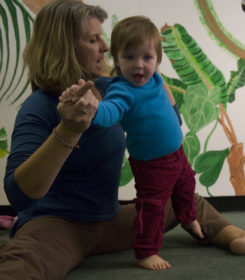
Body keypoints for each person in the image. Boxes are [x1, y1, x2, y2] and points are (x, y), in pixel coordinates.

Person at [0, 1, 245, 279]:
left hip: (109, 220)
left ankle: (238, 238)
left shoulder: (112, 86)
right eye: (93, 40)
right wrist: (67, 129)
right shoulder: (38, 107)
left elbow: (170, 120)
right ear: (63, 46)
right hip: (57, 225)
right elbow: (19, 195)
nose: (105, 47)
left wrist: (154, 79)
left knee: (182, 197)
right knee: (19, 265)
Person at [60, 15, 200, 270]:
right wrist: (94, 109)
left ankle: (188, 217)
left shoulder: (155, 77)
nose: (138, 65)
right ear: (116, 59)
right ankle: (146, 251)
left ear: (157, 60)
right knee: (153, 207)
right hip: (152, 163)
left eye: (147, 58)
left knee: (187, 183)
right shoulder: (122, 89)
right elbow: (111, 111)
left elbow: (164, 93)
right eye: (129, 57)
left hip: (177, 152)